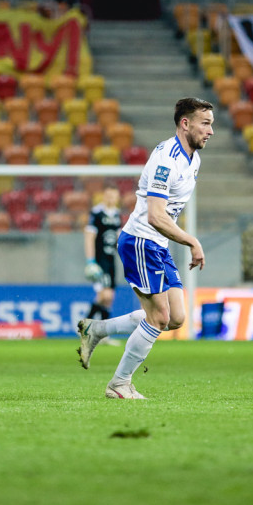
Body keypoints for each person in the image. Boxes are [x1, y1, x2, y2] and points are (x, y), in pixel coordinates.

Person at [76, 98, 213, 399]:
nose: (210, 131)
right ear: (185, 124)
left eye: (211, 124)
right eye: (205, 123)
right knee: (158, 318)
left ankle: (96, 330)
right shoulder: (167, 159)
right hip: (141, 240)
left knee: (176, 317)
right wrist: (191, 240)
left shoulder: (194, 160)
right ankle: (119, 384)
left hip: (158, 245)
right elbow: (155, 215)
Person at [82, 184, 123, 323]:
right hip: (100, 259)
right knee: (104, 295)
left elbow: (118, 238)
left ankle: (102, 333)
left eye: (114, 196)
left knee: (109, 297)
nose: (111, 198)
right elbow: (89, 236)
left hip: (111, 259)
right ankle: (85, 325)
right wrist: (90, 261)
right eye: (109, 195)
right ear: (104, 196)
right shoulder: (96, 213)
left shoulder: (117, 214)